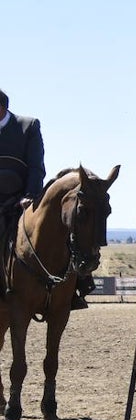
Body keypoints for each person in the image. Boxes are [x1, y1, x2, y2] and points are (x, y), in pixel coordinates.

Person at [0, 89, 48, 296]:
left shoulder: (28, 126)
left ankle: (75, 287)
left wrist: (30, 195)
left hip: (22, 199)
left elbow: (36, 166)